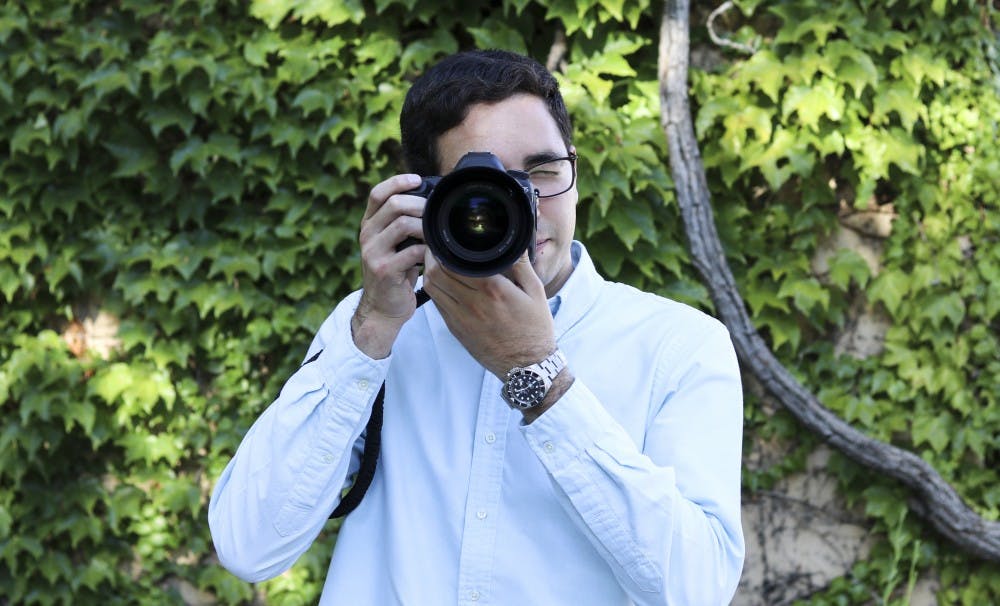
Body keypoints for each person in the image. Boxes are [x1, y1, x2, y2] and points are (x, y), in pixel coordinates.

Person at [208, 49, 745, 605]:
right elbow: (248, 546)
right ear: (423, 199)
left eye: (542, 171)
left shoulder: (679, 346)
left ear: (575, 172)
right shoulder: (378, 325)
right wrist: (370, 330)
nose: (528, 205)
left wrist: (539, 376)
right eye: (487, 186)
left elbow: (697, 589)